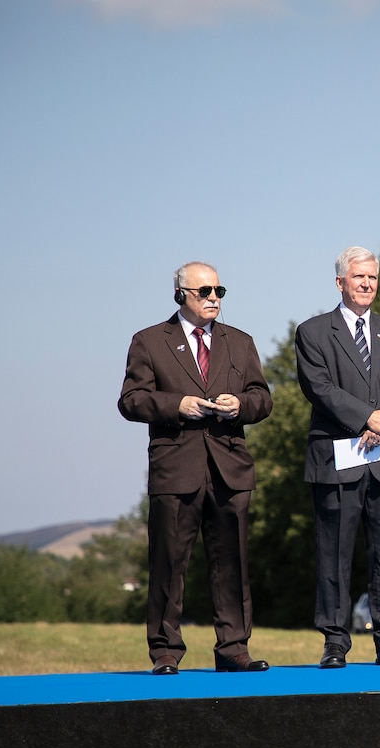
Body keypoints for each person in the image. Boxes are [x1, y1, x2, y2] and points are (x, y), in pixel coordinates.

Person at [119, 261, 273, 674]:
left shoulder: (240, 342)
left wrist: (241, 405)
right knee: (169, 562)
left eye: (219, 292)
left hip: (229, 468)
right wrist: (176, 405)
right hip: (176, 468)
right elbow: (131, 400)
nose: (213, 300)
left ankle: (233, 648)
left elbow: (262, 397)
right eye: (204, 292)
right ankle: (166, 650)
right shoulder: (150, 341)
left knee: (233, 563)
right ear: (180, 295)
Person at [295, 246, 380, 669]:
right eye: (358, 277)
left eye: (373, 277)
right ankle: (335, 639)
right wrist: (366, 416)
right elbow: (319, 388)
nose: (367, 284)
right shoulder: (312, 332)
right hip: (336, 459)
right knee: (334, 552)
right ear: (340, 283)